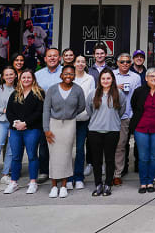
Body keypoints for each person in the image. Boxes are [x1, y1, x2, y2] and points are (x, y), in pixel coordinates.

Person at [43, 65, 87, 199]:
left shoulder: (78, 90)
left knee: (67, 154)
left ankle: (63, 185)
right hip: (53, 124)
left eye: (71, 74)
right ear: (61, 75)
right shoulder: (52, 90)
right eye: (66, 74)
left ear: (74, 76)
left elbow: (82, 106)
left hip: (69, 125)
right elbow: (46, 110)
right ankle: (53, 186)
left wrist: (71, 114)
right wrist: (46, 129)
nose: (69, 76)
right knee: (54, 155)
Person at [3, 70, 45, 194]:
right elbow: (9, 111)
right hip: (15, 129)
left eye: (28, 77)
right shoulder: (15, 93)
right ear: (20, 79)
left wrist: (25, 123)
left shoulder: (39, 93)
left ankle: (33, 182)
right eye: (24, 77)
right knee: (16, 156)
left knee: (32, 155)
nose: (26, 79)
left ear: (33, 79)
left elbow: (39, 112)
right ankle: (13, 182)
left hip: (32, 129)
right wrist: (15, 123)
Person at [129, 68, 155, 194]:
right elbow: (134, 106)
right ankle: (143, 182)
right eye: (151, 76)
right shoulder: (139, 91)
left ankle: (150, 181)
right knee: (143, 157)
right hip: (141, 128)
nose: (154, 78)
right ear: (146, 78)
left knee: (154, 157)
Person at [85, 69, 122, 197]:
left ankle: (107, 184)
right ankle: (98, 184)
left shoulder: (119, 94)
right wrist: (98, 120)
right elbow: (89, 110)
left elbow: (121, 110)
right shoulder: (93, 94)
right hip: (95, 131)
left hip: (112, 130)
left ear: (112, 79)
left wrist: (111, 120)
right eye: (103, 79)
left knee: (110, 159)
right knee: (96, 160)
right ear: (99, 80)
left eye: (108, 78)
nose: (105, 81)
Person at [112, 52, 141, 185]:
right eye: (122, 62)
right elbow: (102, 92)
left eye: (127, 62)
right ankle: (117, 173)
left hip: (132, 115)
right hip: (117, 116)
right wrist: (115, 88)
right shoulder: (111, 75)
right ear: (117, 63)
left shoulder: (136, 77)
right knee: (120, 146)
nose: (125, 64)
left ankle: (137, 168)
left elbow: (139, 96)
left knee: (137, 145)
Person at [35, 47, 63, 178]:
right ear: (45, 59)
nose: (52, 58)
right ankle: (44, 171)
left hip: (61, 114)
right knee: (44, 143)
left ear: (60, 58)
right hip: (43, 114)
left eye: (55, 56)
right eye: (49, 56)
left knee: (61, 144)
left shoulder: (66, 72)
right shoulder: (38, 75)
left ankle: (60, 171)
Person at [71, 55, 96, 189]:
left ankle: (78, 177)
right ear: (74, 63)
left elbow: (91, 98)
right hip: (68, 118)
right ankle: (68, 178)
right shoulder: (69, 76)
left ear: (86, 64)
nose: (80, 64)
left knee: (80, 148)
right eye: (78, 61)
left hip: (84, 118)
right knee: (67, 149)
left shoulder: (90, 78)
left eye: (83, 62)